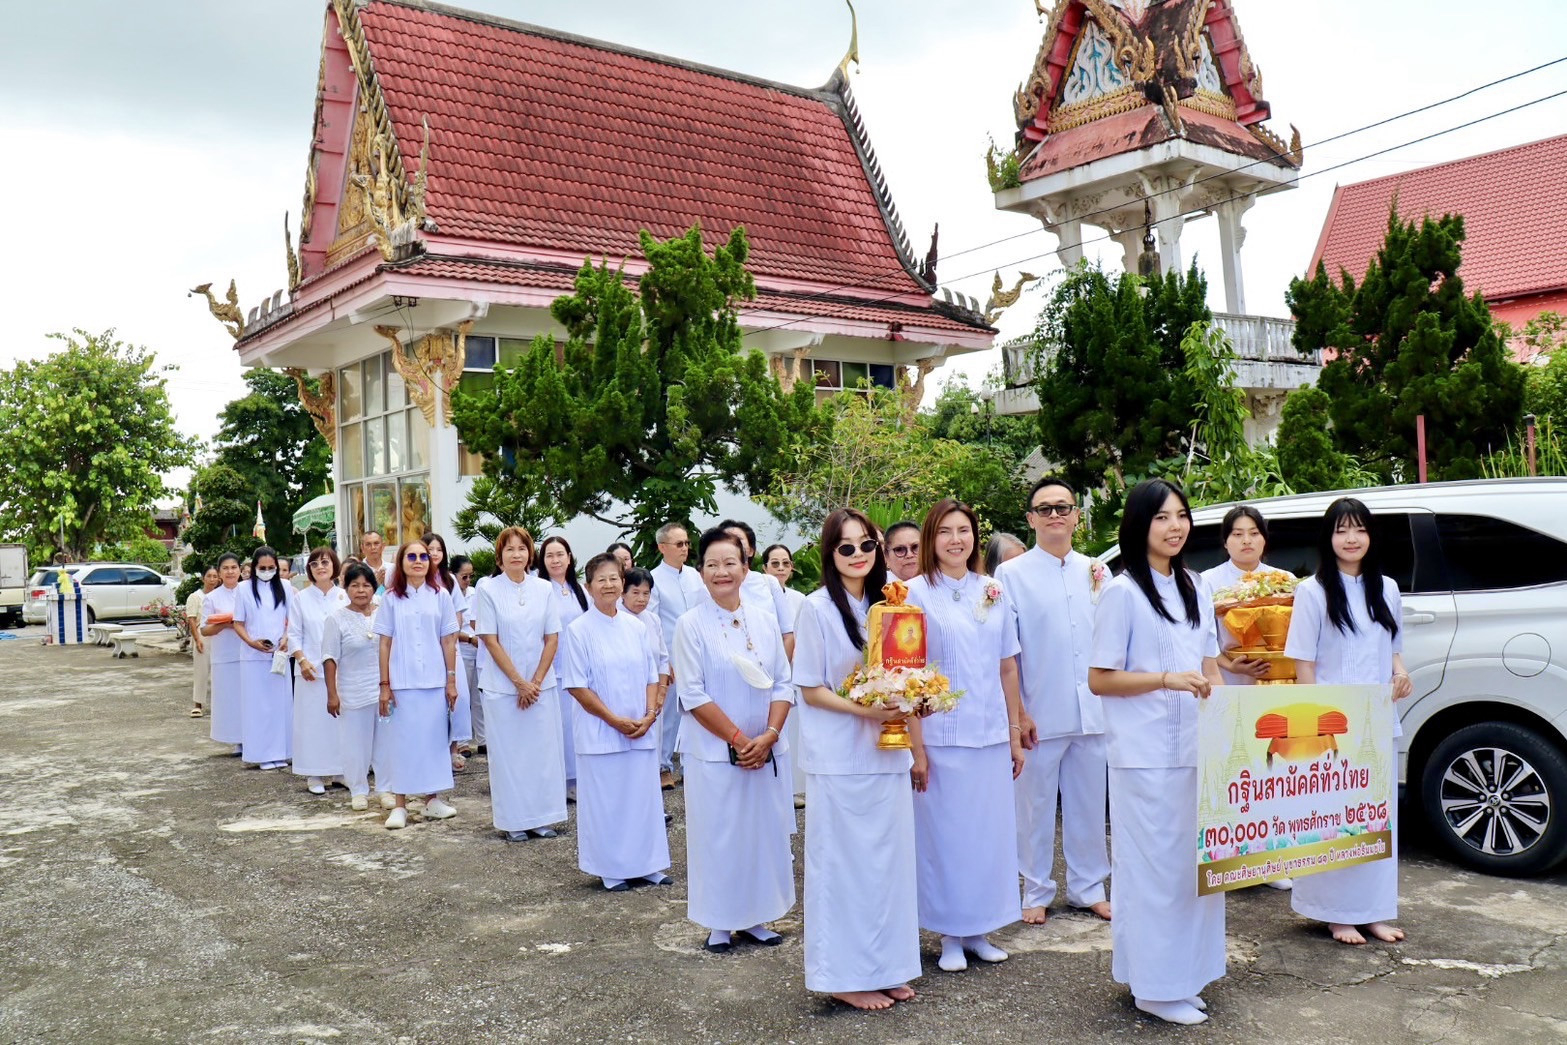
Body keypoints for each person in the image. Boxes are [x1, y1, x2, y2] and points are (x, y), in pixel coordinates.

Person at [1088, 478, 1224, 1026]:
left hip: (1196, 751)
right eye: (1162, 517)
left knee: (1194, 868)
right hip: (1143, 755)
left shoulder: (1195, 584)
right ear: (1139, 526)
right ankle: (1152, 986)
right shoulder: (1121, 592)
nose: (1175, 526)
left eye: (1181, 515)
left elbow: (1210, 663)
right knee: (1153, 870)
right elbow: (1100, 679)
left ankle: (1185, 975)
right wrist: (1166, 679)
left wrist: (1225, 720)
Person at [793, 508, 920, 1010]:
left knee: (886, 865)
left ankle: (887, 967)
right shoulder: (815, 607)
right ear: (831, 553)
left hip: (887, 753)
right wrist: (864, 711)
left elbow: (907, 669)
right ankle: (841, 976)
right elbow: (810, 687)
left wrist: (916, 697)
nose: (859, 555)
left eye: (867, 545)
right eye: (847, 548)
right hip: (840, 754)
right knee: (842, 866)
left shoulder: (892, 604)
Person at [905, 499, 1027, 973]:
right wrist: (917, 748)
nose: (956, 540)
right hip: (940, 734)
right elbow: (907, 676)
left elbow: (1007, 665)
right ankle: (949, 935)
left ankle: (979, 930)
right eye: (945, 532)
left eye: (964, 531)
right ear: (931, 539)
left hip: (991, 732)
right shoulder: (911, 593)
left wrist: (1014, 734)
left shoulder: (993, 589)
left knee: (987, 837)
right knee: (946, 839)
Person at [1284, 497, 1411, 947]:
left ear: (1371, 536)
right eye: (1341, 530)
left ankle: (1374, 911)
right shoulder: (1313, 591)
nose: (1351, 538)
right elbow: (1303, 662)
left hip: (1376, 722)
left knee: (1377, 818)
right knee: (1333, 818)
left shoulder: (1388, 588)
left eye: (1359, 529)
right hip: (1330, 727)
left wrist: (1400, 674)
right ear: (1329, 537)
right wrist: (1315, 724)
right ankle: (1336, 914)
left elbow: (1393, 648)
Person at [674, 526, 796, 954]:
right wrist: (740, 740)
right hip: (715, 752)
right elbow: (692, 694)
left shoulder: (764, 622)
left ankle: (759, 917)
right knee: (719, 835)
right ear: (701, 572)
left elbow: (784, 682)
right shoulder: (690, 624)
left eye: (730, 562)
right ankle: (720, 922)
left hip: (765, 749)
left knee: (761, 833)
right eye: (712, 565)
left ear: (746, 567)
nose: (721, 571)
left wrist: (769, 736)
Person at [996, 478, 1112, 925]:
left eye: (1063, 506)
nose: (1055, 515)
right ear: (1031, 519)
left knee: (1088, 803)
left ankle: (1089, 887)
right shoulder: (1011, 575)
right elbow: (1008, 650)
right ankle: (1035, 889)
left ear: (1076, 515)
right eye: (1044, 509)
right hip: (1038, 709)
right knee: (1034, 806)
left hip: (1092, 709)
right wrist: (1018, 712)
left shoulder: (1096, 570)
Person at [1201, 505, 1297, 891]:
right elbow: (1200, 638)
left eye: (1253, 533)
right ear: (1225, 540)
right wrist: (1232, 665)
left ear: (1264, 538)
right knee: (1230, 771)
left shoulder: (1285, 580)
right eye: (1237, 533)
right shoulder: (1207, 582)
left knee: (1270, 771)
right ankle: (1229, 858)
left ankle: (1270, 859)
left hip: (1274, 687)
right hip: (1226, 683)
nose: (1246, 540)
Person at [563, 555, 671, 890]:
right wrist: (614, 720)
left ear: (622, 583)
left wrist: (650, 715)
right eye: (601, 580)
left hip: (641, 728)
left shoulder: (637, 627)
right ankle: (611, 869)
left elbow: (652, 676)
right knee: (607, 802)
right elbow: (578, 686)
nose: (609, 585)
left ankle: (648, 863)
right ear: (588, 586)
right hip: (601, 731)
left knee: (641, 799)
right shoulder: (578, 630)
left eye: (614, 579)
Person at [476, 527, 567, 841]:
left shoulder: (543, 588)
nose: (516, 554)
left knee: (540, 753)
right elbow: (490, 639)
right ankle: (514, 821)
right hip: (504, 689)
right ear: (499, 556)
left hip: (541, 686)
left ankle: (542, 817)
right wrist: (519, 683)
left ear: (531, 554)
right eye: (509, 548)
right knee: (510, 756)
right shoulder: (487, 588)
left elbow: (552, 638)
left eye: (522, 548)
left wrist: (536, 682)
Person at [375, 539, 461, 830]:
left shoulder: (441, 597)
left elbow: (448, 640)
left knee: (434, 742)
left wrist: (451, 680)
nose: (418, 560)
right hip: (402, 682)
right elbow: (385, 643)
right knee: (402, 744)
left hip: (434, 681)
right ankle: (399, 805)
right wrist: (384, 684)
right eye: (411, 556)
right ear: (401, 562)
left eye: (423, 556)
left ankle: (432, 800)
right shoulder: (390, 599)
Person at [287, 547, 348, 795]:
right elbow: (293, 634)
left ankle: (342, 770)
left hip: (342, 670)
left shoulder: (345, 596)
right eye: (314, 564)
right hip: (310, 671)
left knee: (341, 724)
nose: (320, 567)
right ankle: (313, 773)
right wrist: (301, 660)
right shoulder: (300, 598)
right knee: (312, 724)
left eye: (325, 562)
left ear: (334, 565)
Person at [231, 547, 296, 771]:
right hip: (253, 657)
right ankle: (261, 753)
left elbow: (293, 619)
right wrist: (252, 643)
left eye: (271, 568)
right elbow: (237, 623)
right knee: (258, 706)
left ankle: (282, 752)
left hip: (279, 654)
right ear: (254, 567)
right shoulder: (243, 589)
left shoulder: (286, 587)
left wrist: (287, 638)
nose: (267, 572)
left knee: (281, 705)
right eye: (262, 568)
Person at [323, 562, 382, 810]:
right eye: (354, 585)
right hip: (353, 689)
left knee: (385, 742)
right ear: (345, 588)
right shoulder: (336, 619)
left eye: (366, 585)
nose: (360, 591)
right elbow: (329, 658)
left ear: (374, 588)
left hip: (383, 688)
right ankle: (358, 789)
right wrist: (332, 694)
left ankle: (387, 787)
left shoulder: (384, 612)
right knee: (355, 742)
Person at [650, 522, 705, 789]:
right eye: (679, 544)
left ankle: (690, 762)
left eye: (686, 543)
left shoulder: (696, 575)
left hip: (697, 652)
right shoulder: (654, 579)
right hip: (670, 655)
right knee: (668, 714)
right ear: (663, 547)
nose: (685, 548)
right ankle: (663, 766)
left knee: (697, 709)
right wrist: (664, 661)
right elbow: (652, 622)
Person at [698, 519, 795, 658]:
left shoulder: (768, 583)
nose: (731, 546)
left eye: (739, 542)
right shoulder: (707, 588)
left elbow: (787, 633)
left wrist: (778, 673)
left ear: (751, 550)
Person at [538, 536, 588, 796]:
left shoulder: (580, 589)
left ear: (569, 557)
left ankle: (578, 779)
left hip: (578, 670)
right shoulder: (540, 589)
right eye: (549, 555)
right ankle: (562, 782)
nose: (555, 560)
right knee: (558, 728)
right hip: (552, 670)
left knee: (577, 726)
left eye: (560, 554)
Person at [762, 543, 808, 802]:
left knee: (791, 731)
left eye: (785, 563)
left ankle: (793, 790)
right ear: (764, 567)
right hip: (766, 672)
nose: (780, 568)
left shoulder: (800, 599)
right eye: (774, 563)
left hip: (793, 671)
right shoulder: (759, 596)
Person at [422, 532, 473, 770]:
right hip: (425, 649)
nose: (433, 554)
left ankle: (454, 748)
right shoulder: (415, 579)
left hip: (450, 647)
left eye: (438, 549)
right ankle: (434, 750)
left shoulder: (449, 580)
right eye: (429, 549)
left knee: (456, 696)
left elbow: (457, 617)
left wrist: (449, 642)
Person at [201, 555, 245, 755]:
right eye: (225, 568)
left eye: (233, 567)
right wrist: (225, 625)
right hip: (225, 656)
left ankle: (252, 736)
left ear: (240, 570)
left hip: (248, 652)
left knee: (248, 698)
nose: (230, 572)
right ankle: (236, 739)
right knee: (230, 700)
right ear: (219, 573)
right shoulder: (212, 598)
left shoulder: (248, 593)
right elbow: (204, 629)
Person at [621, 568, 672, 721]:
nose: (641, 598)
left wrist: (661, 691)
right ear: (623, 593)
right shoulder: (615, 618)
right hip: (626, 696)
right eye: (635, 593)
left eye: (646, 593)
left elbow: (663, 659)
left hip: (654, 696)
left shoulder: (653, 619)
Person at [450, 554, 483, 750]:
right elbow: (451, 628)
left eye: (471, 576)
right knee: (463, 697)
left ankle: (482, 738)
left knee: (478, 697)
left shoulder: (473, 593)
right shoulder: (448, 592)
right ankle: (461, 742)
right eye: (464, 576)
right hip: (461, 649)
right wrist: (470, 639)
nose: (468, 580)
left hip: (477, 650)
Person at [186, 567, 219, 718]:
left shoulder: (221, 594)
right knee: (201, 671)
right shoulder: (195, 597)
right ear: (203, 578)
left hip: (220, 633)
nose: (212, 579)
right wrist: (197, 639)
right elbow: (191, 619)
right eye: (209, 576)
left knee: (220, 671)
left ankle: (219, 704)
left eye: (215, 576)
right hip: (203, 634)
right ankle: (198, 704)